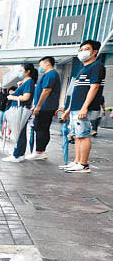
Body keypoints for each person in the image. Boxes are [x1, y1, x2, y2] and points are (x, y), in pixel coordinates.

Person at [61, 40, 106, 173]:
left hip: (84, 108)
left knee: (83, 135)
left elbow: (95, 87)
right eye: (80, 50)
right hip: (76, 108)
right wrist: (68, 109)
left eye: (86, 49)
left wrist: (84, 107)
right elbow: (76, 92)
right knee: (76, 136)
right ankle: (77, 161)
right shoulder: (83, 68)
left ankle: (84, 164)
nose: (82, 52)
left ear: (95, 52)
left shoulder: (97, 66)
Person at [26, 56, 60, 160]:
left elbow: (46, 90)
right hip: (44, 107)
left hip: (45, 107)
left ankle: (39, 152)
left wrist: (38, 106)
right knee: (41, 128)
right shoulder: (48, 74)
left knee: (41, 129)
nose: (40, 67)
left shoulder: (51, 74)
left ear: (47, 63)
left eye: (41, 65)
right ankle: (41, 151)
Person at [2, 63, 38, 162]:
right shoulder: (25, 82)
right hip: (20, 109)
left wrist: (12, 97)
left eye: (21, 70)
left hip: (21, 109)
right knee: (19, 132)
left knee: (19, 132)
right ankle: (18, 153)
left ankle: (18, 155)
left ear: (28, 71)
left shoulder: (29, 82)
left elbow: (26, 97)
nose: (20, 72)